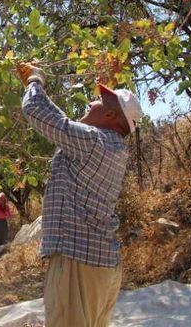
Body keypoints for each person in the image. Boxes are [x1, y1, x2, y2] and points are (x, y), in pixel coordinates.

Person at [16, 62, 142, 327]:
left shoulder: (93, 142)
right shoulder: (110, 146)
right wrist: (36, 85)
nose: (91, 102)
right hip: (101, 265)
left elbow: (35, 110)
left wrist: (35, 81)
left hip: (78, 263)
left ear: (110, 116)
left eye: (98, 100)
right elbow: (63, 125)